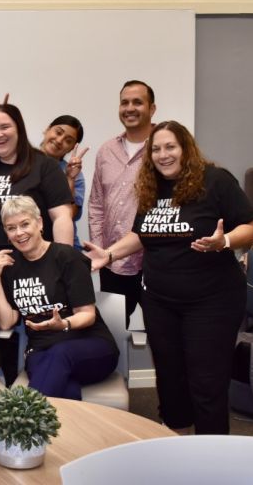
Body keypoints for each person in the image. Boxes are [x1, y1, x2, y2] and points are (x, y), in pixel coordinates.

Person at [85, 121, 253, 434]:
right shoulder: (151, 187)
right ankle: (175, 437)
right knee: (169, 375)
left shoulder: (215, 181)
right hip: (160, 301)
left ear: (185, 149)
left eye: (170, 147)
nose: (163, 155)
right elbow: (142, 235)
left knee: (206, 380)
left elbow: (251, 225)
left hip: (212, 302)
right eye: (156, 149)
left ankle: (211, 457)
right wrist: (108, 254)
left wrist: (225, 241)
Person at [0, 102, 73, 385]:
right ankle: (2, 385)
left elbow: (61, 216)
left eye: (5, 127)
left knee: (37, 327)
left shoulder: (43, 166)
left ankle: (35, 382)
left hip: (35, 262)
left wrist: (64, 259)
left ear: (19, 130)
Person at [0, 196, 118, 399]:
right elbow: (6, 322)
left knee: (60, 354)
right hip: (41, 351)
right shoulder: (10, 268)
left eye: (25, 224)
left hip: (90, 346)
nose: (19, 233)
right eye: (11, 228)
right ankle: (47, 428)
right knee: (63, 387)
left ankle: (20, 421)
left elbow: (87, 315)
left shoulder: (67, 257)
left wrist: (63, 324)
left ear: (39, 223)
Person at [88, 80, 156, 327]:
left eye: (138, 102)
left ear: (152, 108)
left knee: (161, 333)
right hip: (112, 261)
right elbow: (96, 203)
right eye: (124, 102)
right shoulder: (107, 150)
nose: (130, 108)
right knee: (113, 331)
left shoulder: (163, 149)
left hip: (154, 261)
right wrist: (99, 246)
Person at [39, 115, 88, 249]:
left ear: (72, 148)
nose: (60, 140)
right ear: (47, 129)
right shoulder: (23, 162)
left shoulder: (75, 174)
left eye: (68, 140)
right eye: (58, 132)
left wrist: (70, 178)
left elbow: (71, 214)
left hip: (62, 246)